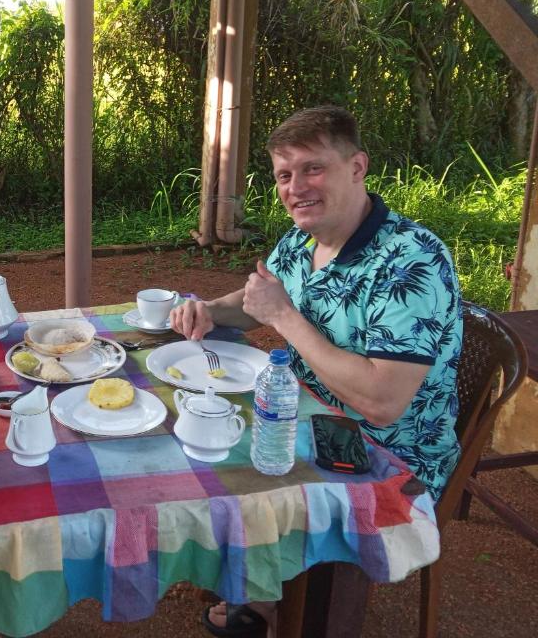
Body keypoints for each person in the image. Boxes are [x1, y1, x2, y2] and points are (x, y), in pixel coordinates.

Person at [170, 105, 462, 638]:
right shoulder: (303, 241)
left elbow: (381, 401)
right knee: (195, 429)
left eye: (313, 168)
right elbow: (261, 299)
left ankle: (286, 600)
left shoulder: (411, 263)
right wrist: (212, 309)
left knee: (224, 451)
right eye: (285, 174)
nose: (296, 187)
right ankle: (258, 578)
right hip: (305, 414)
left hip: (385, 456)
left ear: (357, 168)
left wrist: (284, 317)